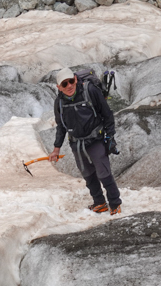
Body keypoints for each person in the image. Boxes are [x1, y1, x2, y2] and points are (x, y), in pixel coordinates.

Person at [49, 68, 121, 215]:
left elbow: (107, 114)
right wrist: (56, 148)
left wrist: (109, 136)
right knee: (88, 175)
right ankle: (100, 203)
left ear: (76, 79)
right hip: (76, 143)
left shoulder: (90, 91)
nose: (69, 86)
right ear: (59, 87)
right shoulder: (59, 103)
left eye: (71, 81)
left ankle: (114, 203)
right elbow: (61, 127)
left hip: (96, 139)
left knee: (103, 173)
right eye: (64, 84)